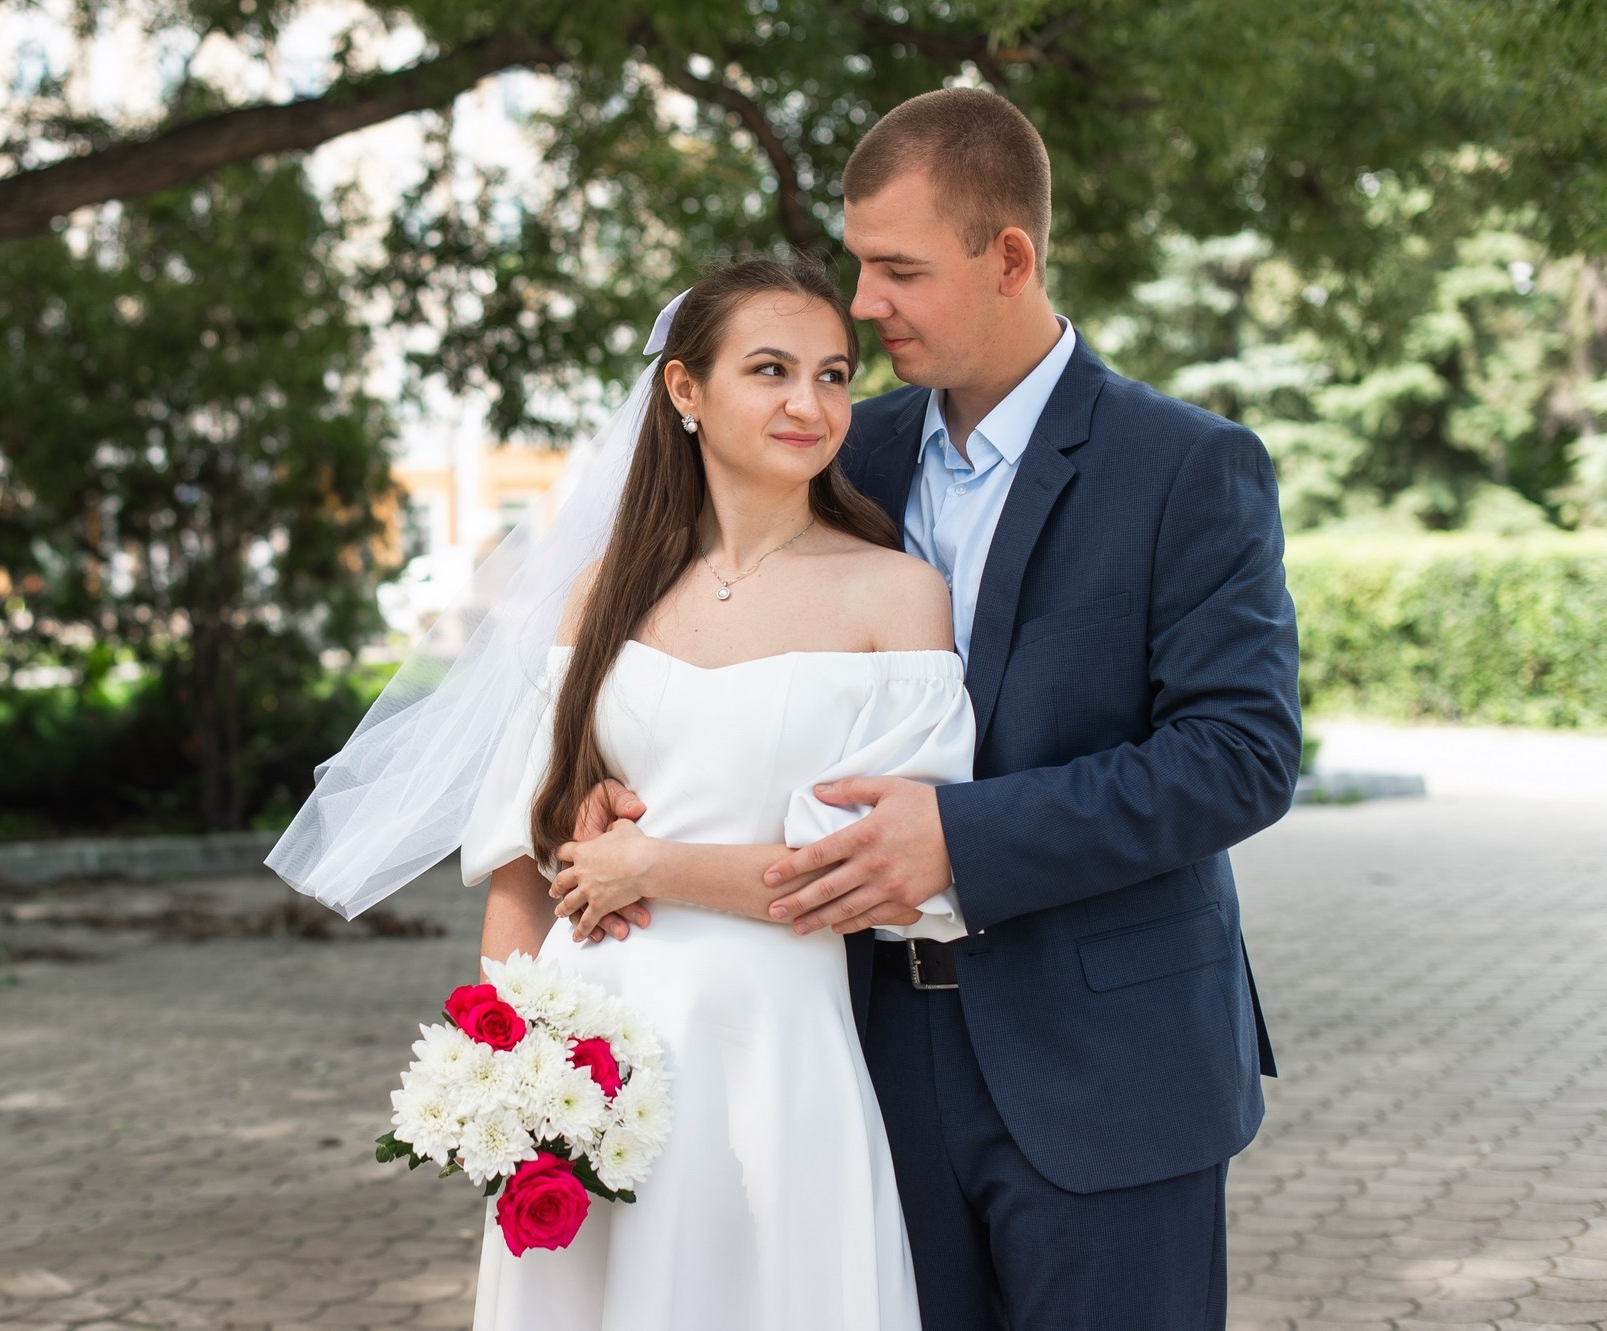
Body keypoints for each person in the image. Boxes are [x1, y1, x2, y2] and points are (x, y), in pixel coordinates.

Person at [560, 89, 1301, 1331]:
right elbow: (708, 623)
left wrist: (964, 836)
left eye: (896, 269)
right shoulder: (847, 447)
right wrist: (625, 765)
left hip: (1106, 1069)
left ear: (1008, 257)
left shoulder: (1185, 466)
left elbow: (1238, 755)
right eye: (858, 264)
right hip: (858, 1064)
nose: (861, 304)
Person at [454, 257, 975, 1330]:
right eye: (770, 369)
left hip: (772, 1042)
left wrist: (648, 865)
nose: (810, 403)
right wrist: (502, 1071)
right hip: (584, 1041)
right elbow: (521, 844)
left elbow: (878, 877)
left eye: (833, 374)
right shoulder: (604, 590)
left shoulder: (892, 592)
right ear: (684, 391)